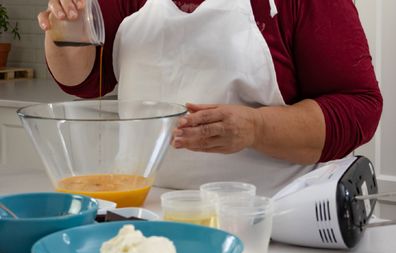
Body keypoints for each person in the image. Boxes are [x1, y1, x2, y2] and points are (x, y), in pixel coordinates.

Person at [37, 0, 382, 196]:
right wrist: (65, 28)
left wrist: (256, 128)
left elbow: (359, 107)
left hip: (267, 220)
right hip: (141, 214)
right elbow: (81, 80)